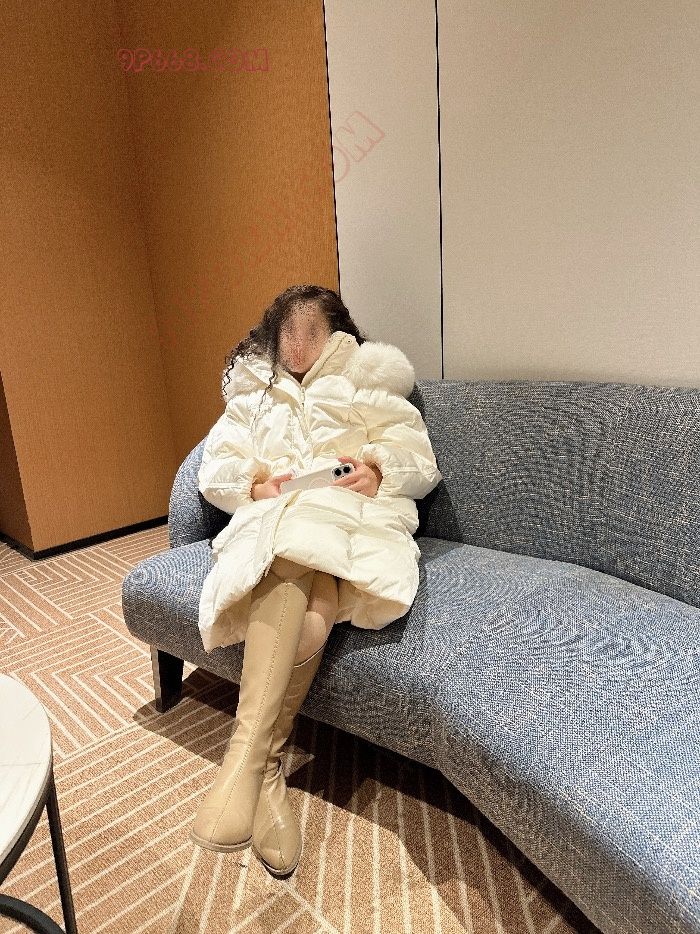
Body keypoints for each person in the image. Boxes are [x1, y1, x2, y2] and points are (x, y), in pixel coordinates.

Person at [191, 284, 443, 875]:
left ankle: (246, 755)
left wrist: (376, 469)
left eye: (311, 333)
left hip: (348, 517)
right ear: (273, 335)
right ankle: (267, 766)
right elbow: (216, 466)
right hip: (276, 522)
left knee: (304, 542)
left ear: (336, 332)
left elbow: (418, 458)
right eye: (289, 333)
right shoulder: (253, 390)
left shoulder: (368, 379)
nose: (299, 346)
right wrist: (255, 486)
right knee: (308, 615)